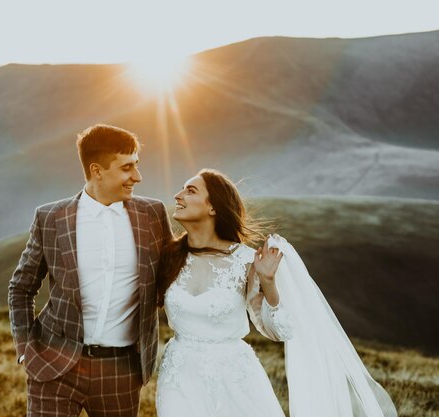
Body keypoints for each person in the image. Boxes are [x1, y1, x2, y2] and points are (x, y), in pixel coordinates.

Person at [155, 168, 397, 417]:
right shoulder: (167, 256)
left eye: (190, 190)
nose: (177, 195)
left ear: (213, 207)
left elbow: (278, 331)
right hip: (178, 375)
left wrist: (268, 281)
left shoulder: (247, 262)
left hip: (234, 378)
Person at [8, 124, 174, 417]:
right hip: (53, 364)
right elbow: (21, 287)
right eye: (126, 168)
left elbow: (174, 273)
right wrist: (25, 348)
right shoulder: (51, 218)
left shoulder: (153, 214)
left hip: (120, 370)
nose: (137, 176)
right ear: (97, 170)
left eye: (136, 165)